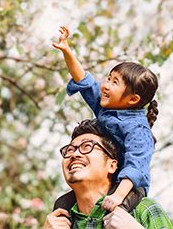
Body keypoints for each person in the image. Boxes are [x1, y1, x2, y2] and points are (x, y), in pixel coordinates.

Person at [52, 26, 159, 211]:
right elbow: (84, 81)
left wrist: (118, 195)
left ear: (133, 99)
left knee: (114, 212)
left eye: (114, 83)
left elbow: (137, 165)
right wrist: (67, 51)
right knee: (61, 204)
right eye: (108, 78)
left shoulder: (138, 130)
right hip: (105, 178)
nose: (105, 85)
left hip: (128, 186)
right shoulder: (106, 108)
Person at [43, 119, 173, 228]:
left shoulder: (144, 210)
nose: (75, 154)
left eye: (87, 146)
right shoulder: (59, 222)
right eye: (70, 149)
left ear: (112, 165)